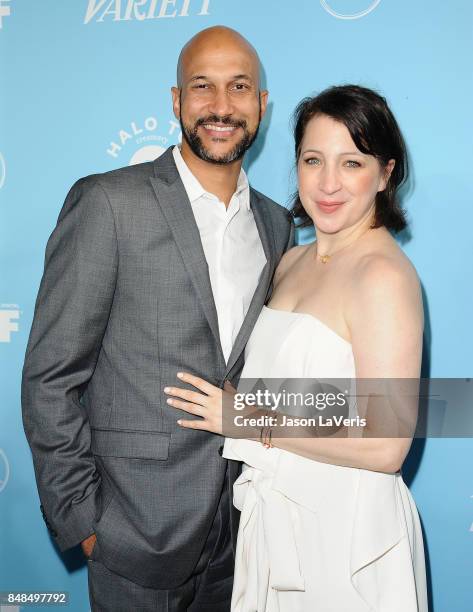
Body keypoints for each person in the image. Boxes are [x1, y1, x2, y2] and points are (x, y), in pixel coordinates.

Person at [21, 26, 293, 611]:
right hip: (133, 537)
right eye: (203, 87)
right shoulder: (109, 203)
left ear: (261, 105)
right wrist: (85, 520)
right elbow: (51, 376)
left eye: (239, 87)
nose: (221, 106)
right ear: (176, 101)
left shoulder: (276, 225)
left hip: (241, 535)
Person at [164, 85, 428, 611]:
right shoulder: (290, 262)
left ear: (385, 173)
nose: (328, 183)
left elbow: (386, 442)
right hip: (273, 519)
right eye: (313, 160)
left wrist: (248, 418)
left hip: (345, 537)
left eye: (352, 162)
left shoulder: (383, 276)